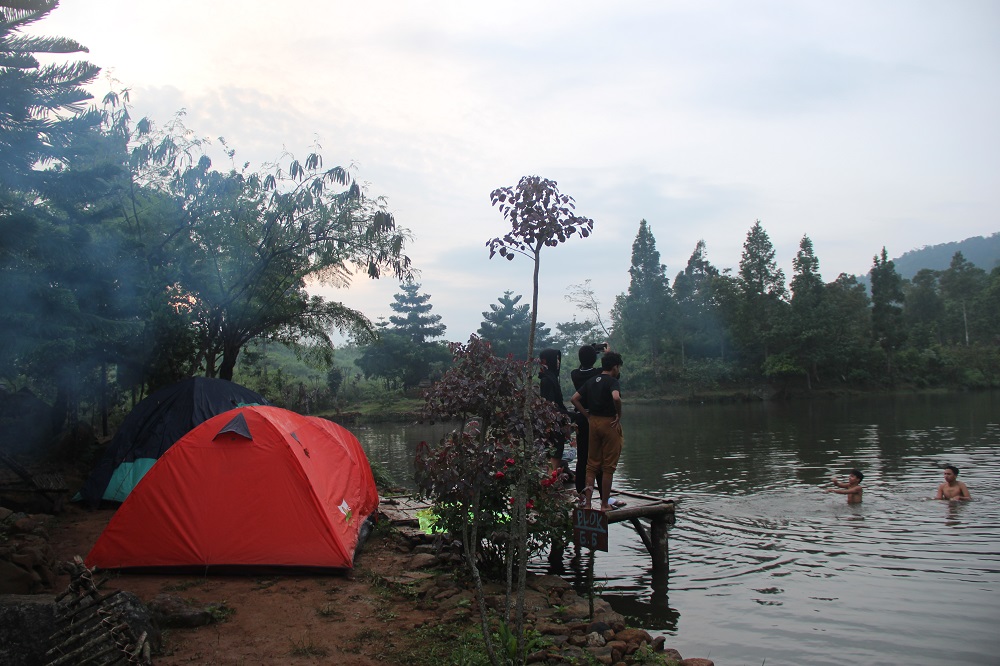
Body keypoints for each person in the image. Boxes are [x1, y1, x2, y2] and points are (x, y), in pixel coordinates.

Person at [570, 352, 623, 512]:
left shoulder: (592, 380)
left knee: (591, 465)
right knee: (608, 466)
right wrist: (618, 414)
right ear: (615, 367)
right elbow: (615, 397)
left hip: (593, 423)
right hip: (609, 423)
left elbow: (574, 398)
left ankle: (587, 504)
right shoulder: (612, 381)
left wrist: (587, 416)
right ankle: (605, 504)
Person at [538, 348, 571, 473]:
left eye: (559, 359)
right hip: (554, 423)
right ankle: (549, 485)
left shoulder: (551, 378)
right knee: (555, 454)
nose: (558, 362)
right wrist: (566, 416)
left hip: (557, 420)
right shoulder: (547, 380)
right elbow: (550, 406)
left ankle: (550, 483)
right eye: (556, 359)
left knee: (556, 453)